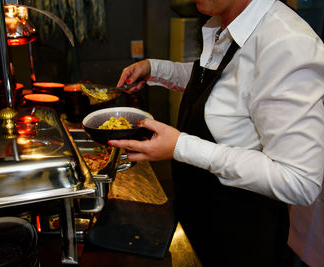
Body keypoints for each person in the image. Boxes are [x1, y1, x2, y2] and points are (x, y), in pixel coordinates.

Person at [109, 0, 324, 266]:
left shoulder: (287, 44)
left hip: (241, 237)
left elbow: (299, 180)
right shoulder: (227, 24)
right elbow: (220, 82)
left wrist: (180, 146)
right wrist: (156, 69)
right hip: (202, 218)